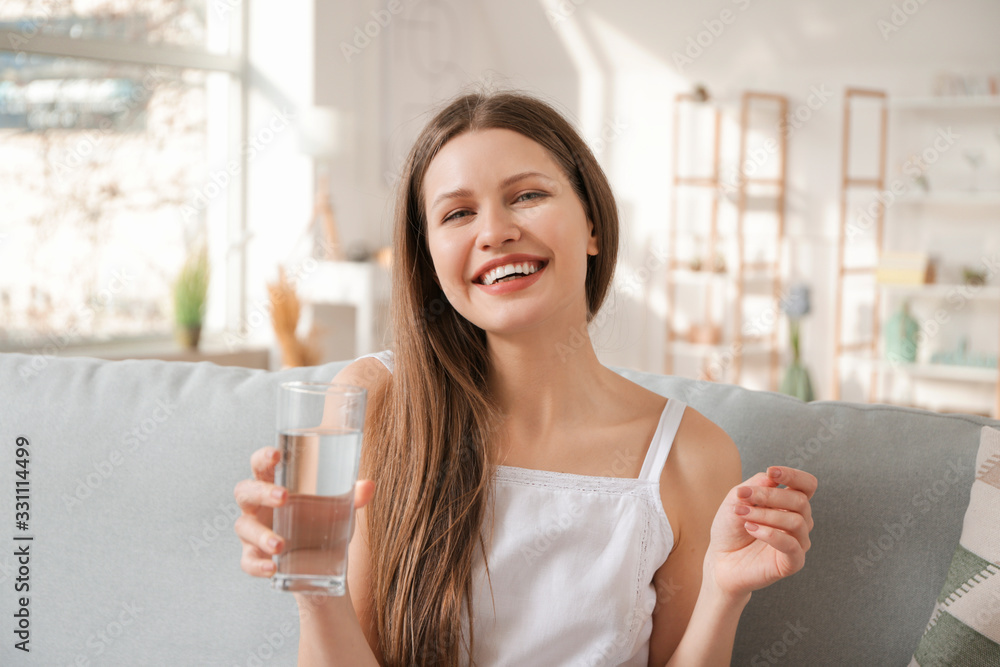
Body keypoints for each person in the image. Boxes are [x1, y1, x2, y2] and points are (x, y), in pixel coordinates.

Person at [234, 89, 817, 667]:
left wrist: (724, 592)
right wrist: (311, 584)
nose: (494, 232)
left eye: (528, 195)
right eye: (458, 213)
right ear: (430, 259)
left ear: (591, 224)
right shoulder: (376, 401)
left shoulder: (691, 455)